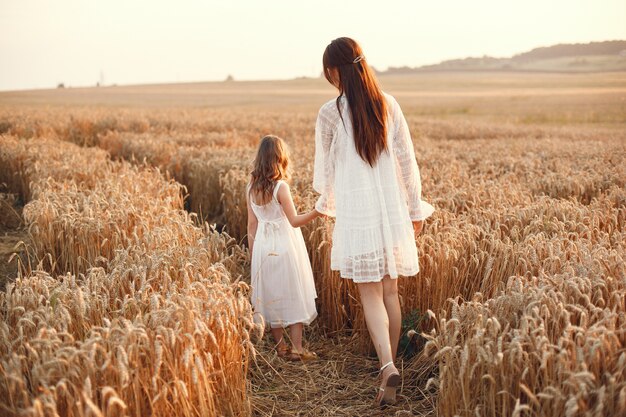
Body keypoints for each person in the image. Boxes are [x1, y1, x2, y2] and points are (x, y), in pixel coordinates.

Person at [313, 37, 435, 405]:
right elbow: (407, 163)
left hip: (358, 212)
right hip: (391, 210)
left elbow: (325, 175)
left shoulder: (330, 113)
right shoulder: (389, 104)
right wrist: (414, 210)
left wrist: (327, 205)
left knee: (369, 293)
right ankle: (392, 365)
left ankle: (385, 366)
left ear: (336, 71)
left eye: (328, 72)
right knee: (390, 291)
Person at [246, 134, 320, 361]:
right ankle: (297, 348)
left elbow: (251, 224)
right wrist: (319, 210)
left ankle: (281, 348)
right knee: (292, 292)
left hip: (262, 247)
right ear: (280, 158)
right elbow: (295, 221)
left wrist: (253, 255)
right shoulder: (281, 187)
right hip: (286, 244)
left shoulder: (250, 188)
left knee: (271, 295)